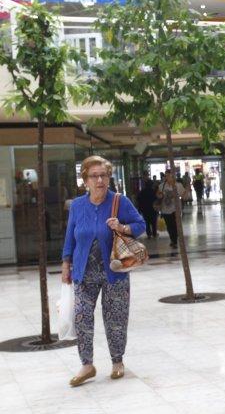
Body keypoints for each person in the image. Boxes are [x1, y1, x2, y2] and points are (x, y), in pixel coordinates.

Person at [61, 155, 145, 387]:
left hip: (115, 271)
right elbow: (70, 237)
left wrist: (122, 227)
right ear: (85, 180)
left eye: (104, 175)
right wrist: (65, 264)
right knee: (82, 317)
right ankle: (87, 364)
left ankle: (117, 362)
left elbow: (141, 225)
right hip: (83, 272)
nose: (100, 180)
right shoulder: (77, 206)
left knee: (116, 317)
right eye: (94, 176)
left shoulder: (120, 201)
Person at [157, 170, 185, 248]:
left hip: (176, 209)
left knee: (175, 224)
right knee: (169, 226)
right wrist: (160, 195)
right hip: (165, 209)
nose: (167, 177)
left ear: (173, 176)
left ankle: (174, 240)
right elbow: (158, 194)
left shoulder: (178, 185)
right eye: (166, 176)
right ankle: (173, 239)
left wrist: (180, 195)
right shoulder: (162, 185)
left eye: (169, 176)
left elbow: (183, 195)